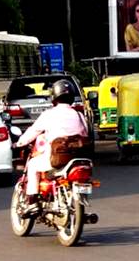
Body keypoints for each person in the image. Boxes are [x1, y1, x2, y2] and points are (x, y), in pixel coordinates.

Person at [15, 80, 88, 213]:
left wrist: (18, 143)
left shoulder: (49, 114)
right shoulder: (79, 115)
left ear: (54, 97)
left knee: (32, 165)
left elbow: (33, 131)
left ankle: (32, 202)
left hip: (57, 158)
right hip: (78, 158)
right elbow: (85, 133)